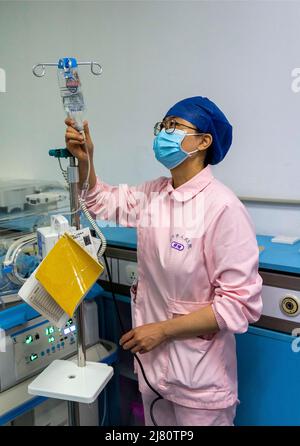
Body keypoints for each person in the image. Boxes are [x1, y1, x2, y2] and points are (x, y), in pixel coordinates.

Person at [64, 96, 263, 426]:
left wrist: (162, 331)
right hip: (154, 371)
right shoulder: (154, 193)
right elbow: (99, 201)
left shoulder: (224, 208)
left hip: (200, 381)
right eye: (162, 126)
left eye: (174, 126)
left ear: (203, 141)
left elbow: (239, 306)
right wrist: (87, 160)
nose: (164, 133)